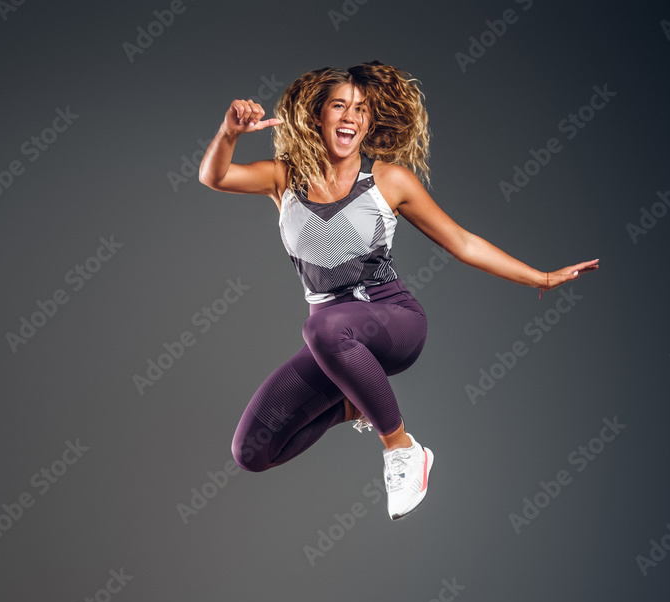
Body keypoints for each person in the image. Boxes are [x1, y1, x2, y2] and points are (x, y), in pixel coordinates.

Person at [198, 61, 598, 520]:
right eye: (339, 106)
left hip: (393, 321)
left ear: (370, 121)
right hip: (332, 340)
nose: (351, 116)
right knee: (252, 451)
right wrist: (229, 132)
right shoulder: (285, 177)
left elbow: (463, 242)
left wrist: (541, 278)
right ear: (318, 115)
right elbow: (215, 176)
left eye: (362, 109)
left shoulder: (389, 180)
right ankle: (355, 402)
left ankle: (403, 449)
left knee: (324, 328)